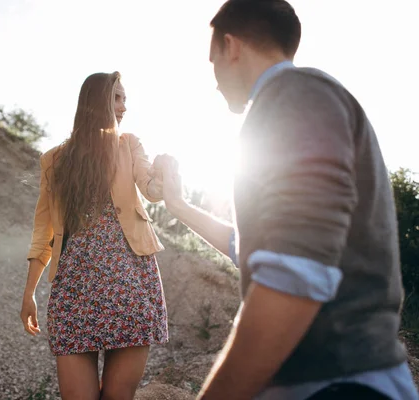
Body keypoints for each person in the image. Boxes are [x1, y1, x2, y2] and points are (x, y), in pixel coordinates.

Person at [151, 0, 419, 399]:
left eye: (213, 62)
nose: (215, 79)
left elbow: (295, 273)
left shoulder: (294, 93)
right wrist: (178, 206)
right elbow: (261, 250)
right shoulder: (297, 100)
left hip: (340, 387)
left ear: (232, 46)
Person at [20, 71, 168, 400]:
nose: (123, 106)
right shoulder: (53, 160)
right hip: (73, 291)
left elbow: (151, 188)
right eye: (117, 97)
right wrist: (29, 292)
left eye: (125, 99)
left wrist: (166, 174)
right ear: (94, 100)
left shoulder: (128, 144)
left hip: (129, 285)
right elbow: (43, 232)